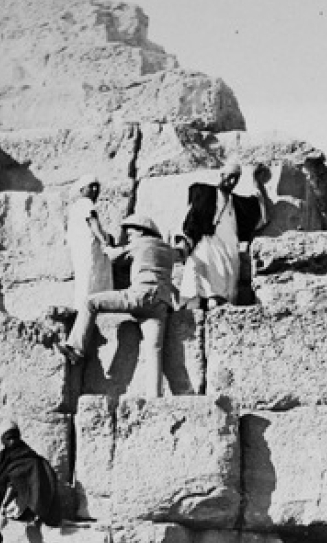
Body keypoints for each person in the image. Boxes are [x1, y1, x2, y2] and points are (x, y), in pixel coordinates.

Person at [58, 214, 179, 399]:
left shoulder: (140, 243)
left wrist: (106, 245)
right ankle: (154, 398)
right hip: (161, 304)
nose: (129, 238)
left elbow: (114, 257)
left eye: (130, 234)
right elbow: (180, 255)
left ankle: (76, 348)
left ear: (141, 231)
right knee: (154, 349)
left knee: (90, 303)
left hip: (140, 296)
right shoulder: (167, 250)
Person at [179, 162, 270, 310]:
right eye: (231, 176)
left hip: (229, 252)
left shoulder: (238, 204)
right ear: (222, 175)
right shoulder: (205, 194)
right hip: (207, 247)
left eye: (236, 178)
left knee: (221, 296)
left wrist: (257, 183)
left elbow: (261, 214)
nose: (233, 181)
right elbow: (190, 219)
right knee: (195, 287)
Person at [0, 420, 61, 527]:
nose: (12, 441)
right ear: (3, 440)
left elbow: (35, 480)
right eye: (8, 438)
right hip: (1, 502)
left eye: (14, 437)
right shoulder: (0, 459)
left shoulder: (31, 458)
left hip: (20, 505)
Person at [66, 174, 113, 306]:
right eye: (91, 186)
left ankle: (83, 306)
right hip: (89, 248)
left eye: (97, 187)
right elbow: (93, 223)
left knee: (84, 279)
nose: (95, 190)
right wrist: (104, 241)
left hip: (80, 249)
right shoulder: (86, 203)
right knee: (92, 277)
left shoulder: (75, 207)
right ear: (82, 190)